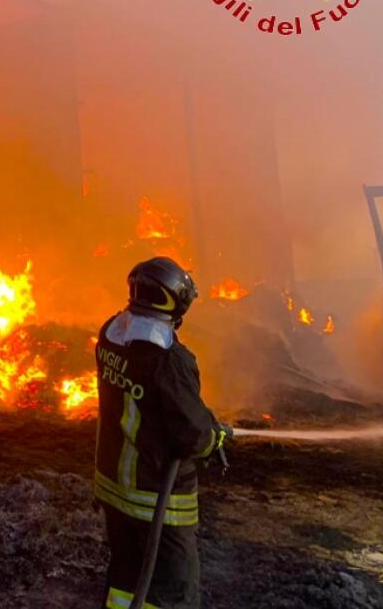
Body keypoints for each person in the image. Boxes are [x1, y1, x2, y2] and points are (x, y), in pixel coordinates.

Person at [94, 256, 230, 609]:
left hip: (114, 486)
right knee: (172, 590)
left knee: (126, 579)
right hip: (157, 496)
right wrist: (214, 437)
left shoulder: (111, 335)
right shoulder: (168, 359)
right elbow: (194, 436)